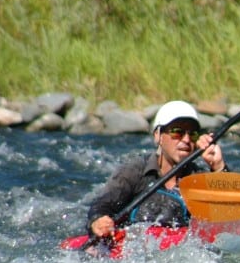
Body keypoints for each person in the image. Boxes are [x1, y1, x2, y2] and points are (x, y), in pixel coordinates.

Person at [86, 100, 228, 240]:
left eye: (192, 134)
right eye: (177, 132)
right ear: (158, 136)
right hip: (134, 252)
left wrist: (218, 167)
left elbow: (229, 214)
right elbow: (102, 205)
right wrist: (99, 220)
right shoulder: (135, 171)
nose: (186, 139)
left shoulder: (200, 179)